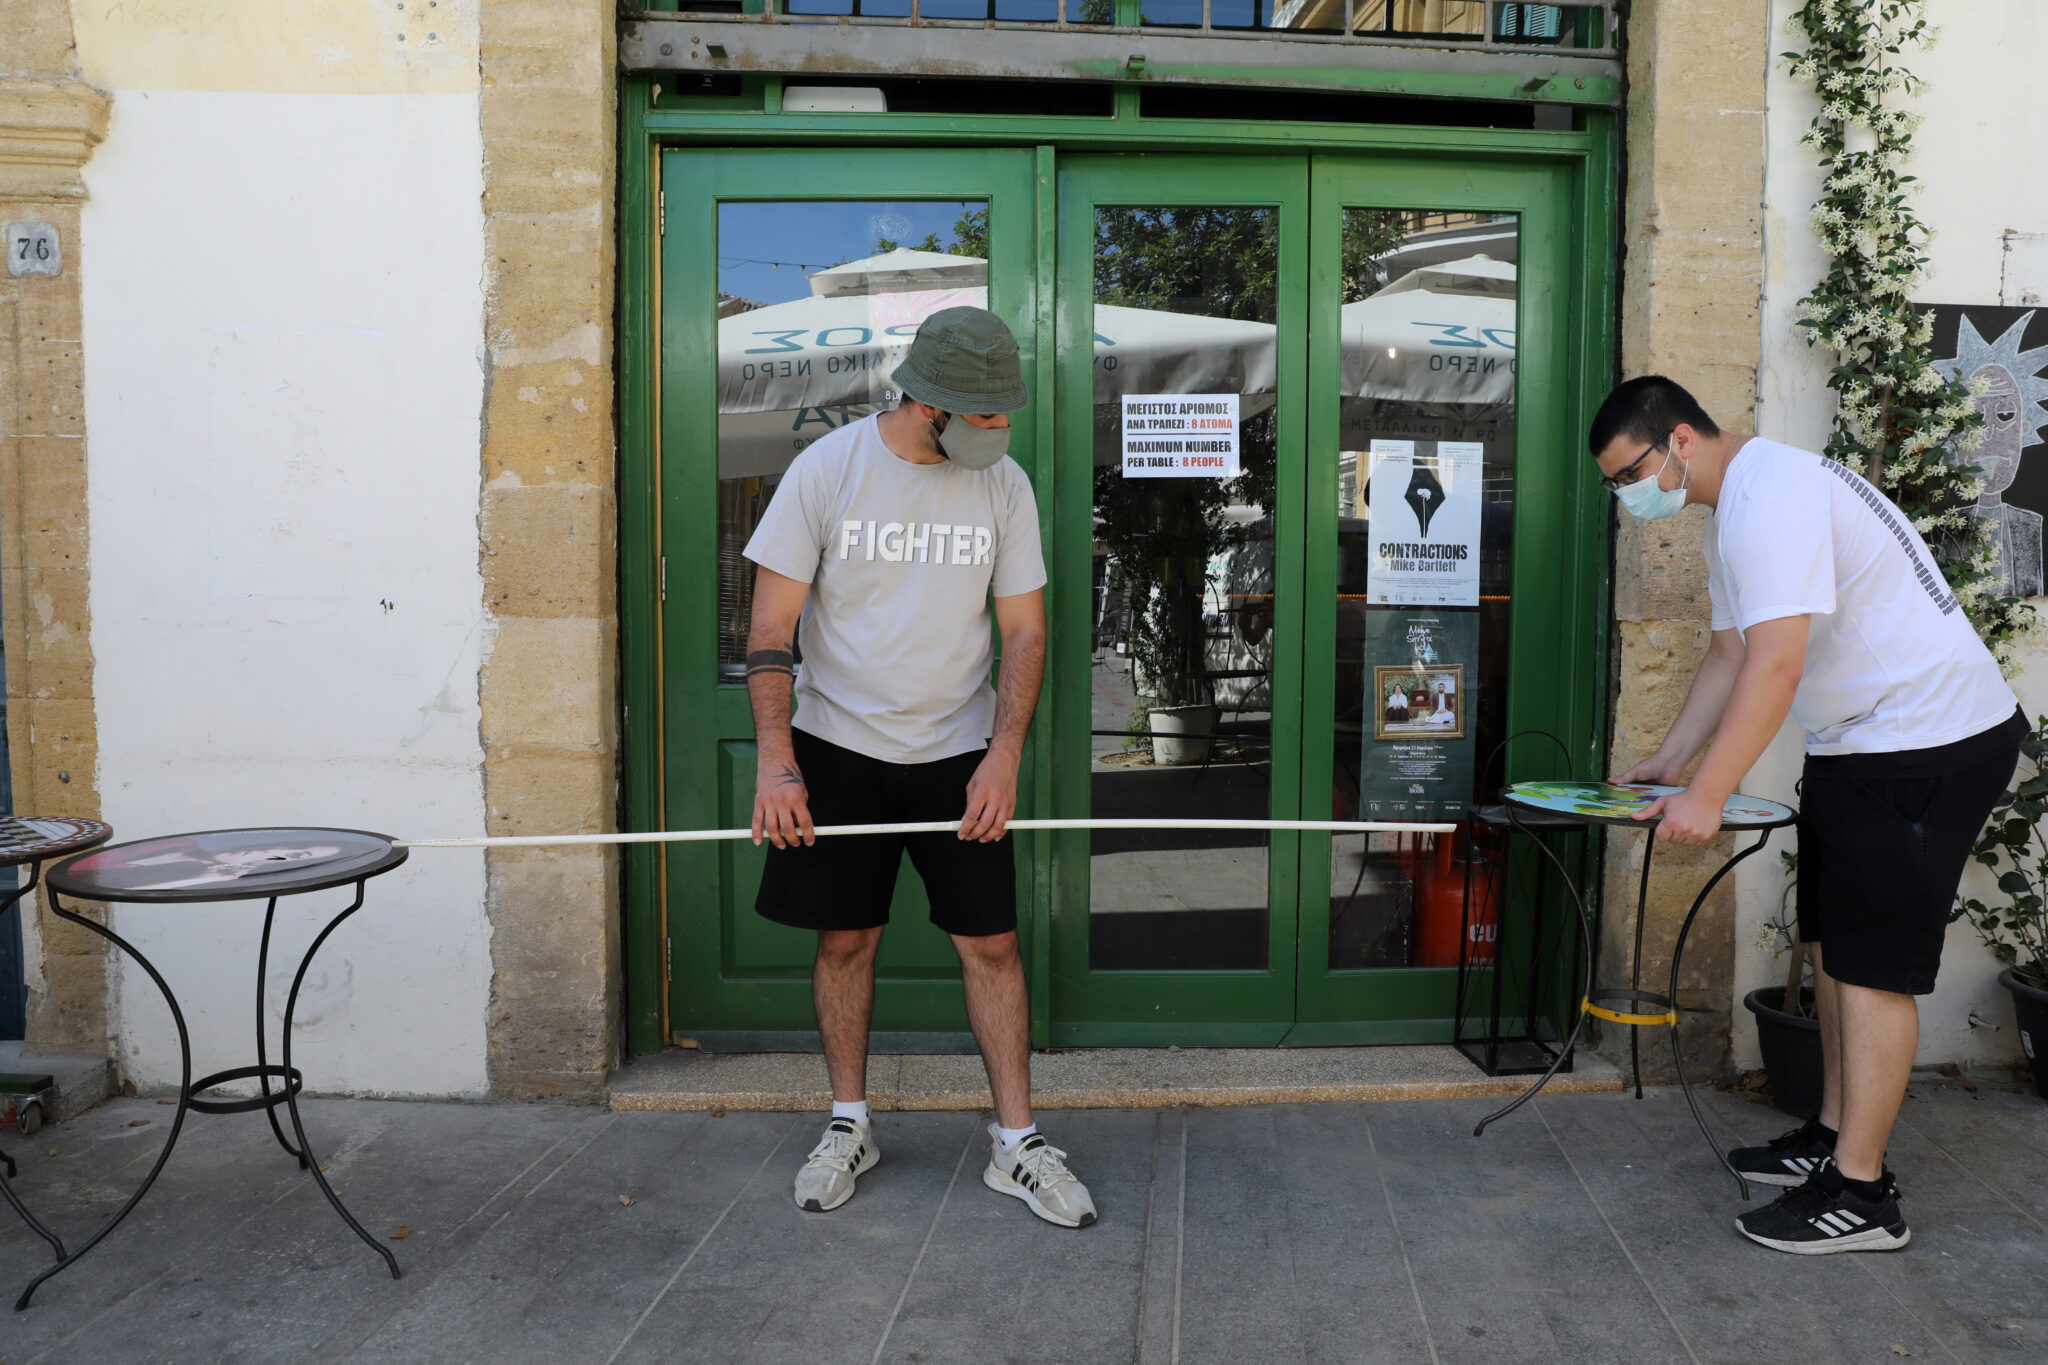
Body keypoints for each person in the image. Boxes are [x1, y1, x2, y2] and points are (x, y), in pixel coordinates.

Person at [1590, 375, 2024, 1256]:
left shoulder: (1771, 497)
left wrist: (1709, 793)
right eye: (1614, 483)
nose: (1627, 495)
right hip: (1859, 744)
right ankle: (1831, 1135)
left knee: (1871, 970)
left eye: (1629, 473)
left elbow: (1777, 666)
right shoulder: (1732, 512)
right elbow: (1729, 653)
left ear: (1679, 441)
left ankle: (1863, 1193)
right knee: (1831, 948)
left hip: (1923, 743)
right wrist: (1674, 760)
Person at [742, 306, 1096, 1228]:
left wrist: (1003, 755)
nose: (1002, 427)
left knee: (993, 945)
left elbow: (1025, 630)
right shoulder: (827, 470)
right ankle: (849, 1122)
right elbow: (771, 629)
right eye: (986, 413)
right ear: (929, 402)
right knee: (845, 940)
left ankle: (1016, 1141)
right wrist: (777, 762)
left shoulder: (1003, 484)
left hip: (960, 753)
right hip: (838, 747)